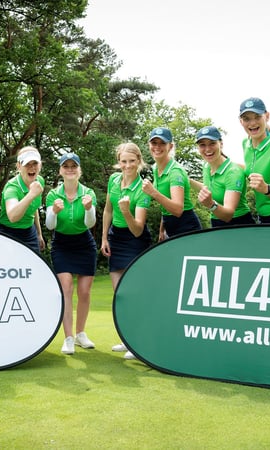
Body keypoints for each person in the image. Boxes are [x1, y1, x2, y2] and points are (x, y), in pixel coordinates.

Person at [100, 142, 152, 360]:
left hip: (135, 241)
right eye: (123, 161)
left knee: (133, 294)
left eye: (132, 161)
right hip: (116, 238)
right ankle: (126, 338)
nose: (127, 166)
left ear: (139, 161)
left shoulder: (143, 189)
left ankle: (138, 342)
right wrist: (104, 237)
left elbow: (138, 229)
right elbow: (107, 209)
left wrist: (127, 211)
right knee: (119, 295)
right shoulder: (114, 180)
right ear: (118, 162)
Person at [45, 152, 98, 355]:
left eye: (73, 166)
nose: (69, 170)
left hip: (84, 244)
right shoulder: (53, 195)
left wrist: (88, 208)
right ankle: (68, 338)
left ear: (79, 170)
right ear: (60, 171)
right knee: (66, 288)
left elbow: (90, 223)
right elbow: (50, 225)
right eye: (65, 166)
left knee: (84, 292)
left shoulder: (88, 193)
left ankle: (80, 334)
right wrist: (54, 212)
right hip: (62, 244)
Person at [142, 127, 202, 240]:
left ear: (170, 146)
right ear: (149, 145)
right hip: (170, 226)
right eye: (154, 143)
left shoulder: (175, 172)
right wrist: (162, 230)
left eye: (162, 143)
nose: (157, 147)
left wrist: (153, 192)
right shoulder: (155, 168)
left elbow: (178, 210)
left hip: (187, 227)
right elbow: (165, 203)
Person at [190, 126, 255, 227]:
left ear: (221, 144)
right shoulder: (207, 166)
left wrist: (210, 204)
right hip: (216, 222)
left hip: (239, 224)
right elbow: (210, 188)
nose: (207, 149)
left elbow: (228, 215)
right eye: (202, 145)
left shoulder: (233, 172)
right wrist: (188, 180)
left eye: (212, 143)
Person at [0, 146, 46, 253]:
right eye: (27, 164)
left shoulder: (39, 181)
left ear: (40, 165)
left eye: (35, 163)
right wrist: (30, 195)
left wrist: (39, 233)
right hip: (8, 232)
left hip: (29, 232)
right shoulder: (12, 188)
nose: (32, 167)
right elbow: (13, 216)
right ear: (19, 166)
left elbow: (34, 209)